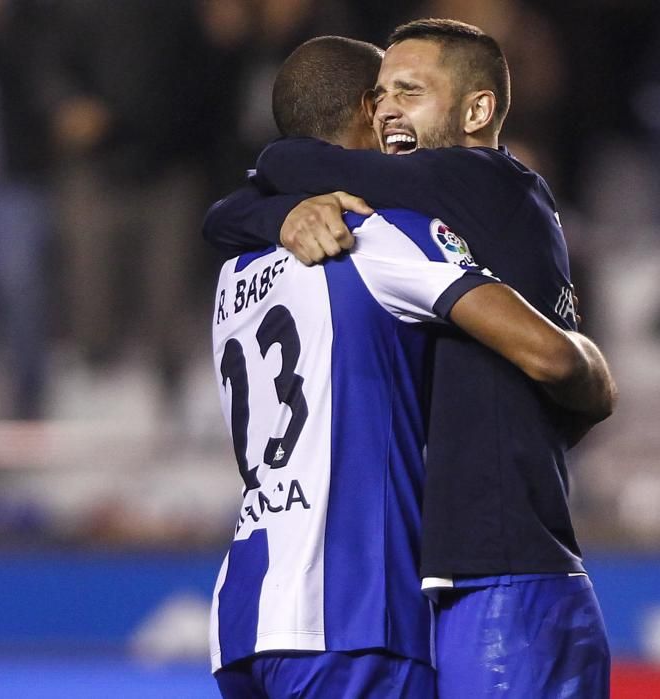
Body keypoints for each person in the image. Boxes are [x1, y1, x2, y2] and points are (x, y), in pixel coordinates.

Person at [204, 19, 615, 698]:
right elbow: (554, 362)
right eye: (382, 93)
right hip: (358, 607)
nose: (391, 108)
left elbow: (264, 183)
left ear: (478, 109)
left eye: (409, 90)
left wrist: (266, 211)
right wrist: (589, 375)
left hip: (258, 610)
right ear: (361, 112)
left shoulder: (239, 268)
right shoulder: (375, 235)